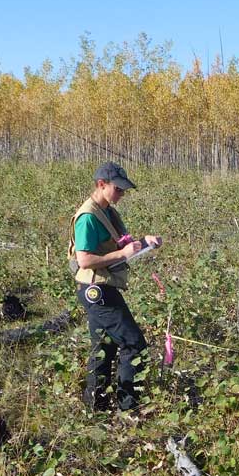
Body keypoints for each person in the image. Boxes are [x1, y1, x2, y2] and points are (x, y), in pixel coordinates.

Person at [68, 162, 163, 413]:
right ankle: (129, 408)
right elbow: (85, 260)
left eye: (124, 190)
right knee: (134, 345)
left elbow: (122, 248)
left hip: (105, 286)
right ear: (102, 185)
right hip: (97, 290)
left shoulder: (108, 211)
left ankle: (96, 409)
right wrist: (123, 252)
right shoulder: (88, 217)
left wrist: (144, 243)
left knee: (104, 348)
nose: (122, 194)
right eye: (118, 189)